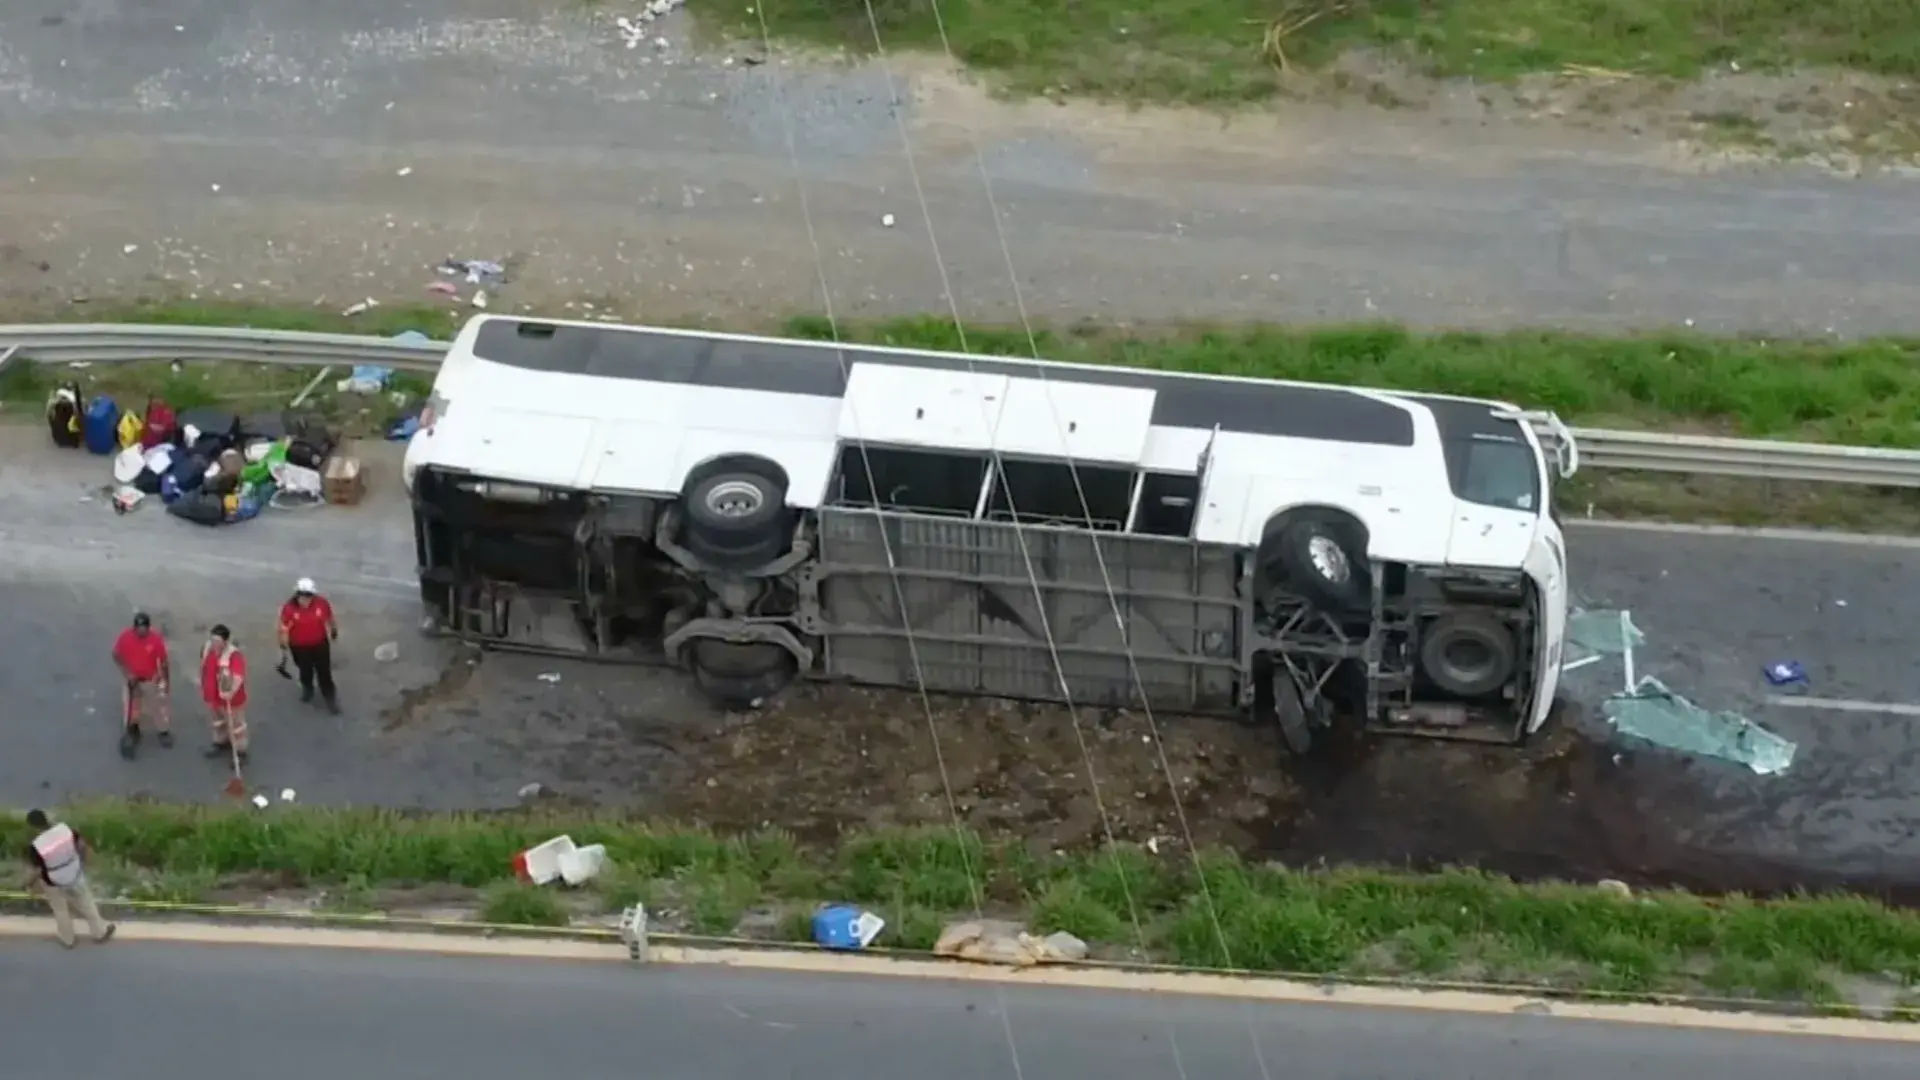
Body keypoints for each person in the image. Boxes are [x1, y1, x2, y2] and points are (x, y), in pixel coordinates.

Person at [23, 809, 117, 949]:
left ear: (33, 826)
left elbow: (37, 870)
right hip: (74, 873)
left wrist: (28, 884)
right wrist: (83, 863)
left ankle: (68, 940)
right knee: (86, 902)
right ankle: (99, 932)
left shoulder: (36, 846)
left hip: (53, 881)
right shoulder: (65, 830)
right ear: (47, 818)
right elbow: (82, 846)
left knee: (60, 909)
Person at [112, 611, 172, 757]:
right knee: (132, 707)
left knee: (158, 706)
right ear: (134, 628)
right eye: (139, 628)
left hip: (150, 679)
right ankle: (133, 729)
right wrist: (127, 673)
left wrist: (165, 681)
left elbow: (163, 662)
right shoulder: (125, 637)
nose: (141, 631)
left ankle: (163, 731)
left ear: (148, 628)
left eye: (144, 628)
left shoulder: (156, 640)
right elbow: (116, 655)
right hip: (132, 680)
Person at [279, 577, 339, 714]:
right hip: (299, 647)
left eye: (308, 595)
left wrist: (334, 630)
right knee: (305, 671)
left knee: (324, 673)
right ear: (297, 595)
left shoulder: (322, 604)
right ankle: (308, 689)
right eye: (302, 595)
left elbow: (330, 618)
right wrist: (283, 644)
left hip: (320, 645)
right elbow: (283, 628)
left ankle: (330, 699)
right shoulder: (289, 609)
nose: (305, 599)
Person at [199, 624, 250, 763]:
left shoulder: (234, 655)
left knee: (236, 727)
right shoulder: (208, 649)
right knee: (218, 722)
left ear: (226, 642)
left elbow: (238, 676)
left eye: (217, 641)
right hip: (213, 697)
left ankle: (240, 751)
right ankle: (221, 741)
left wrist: (230, 692)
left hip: (231, 700)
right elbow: (204, 668)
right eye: (212, 640)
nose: (214, 643)